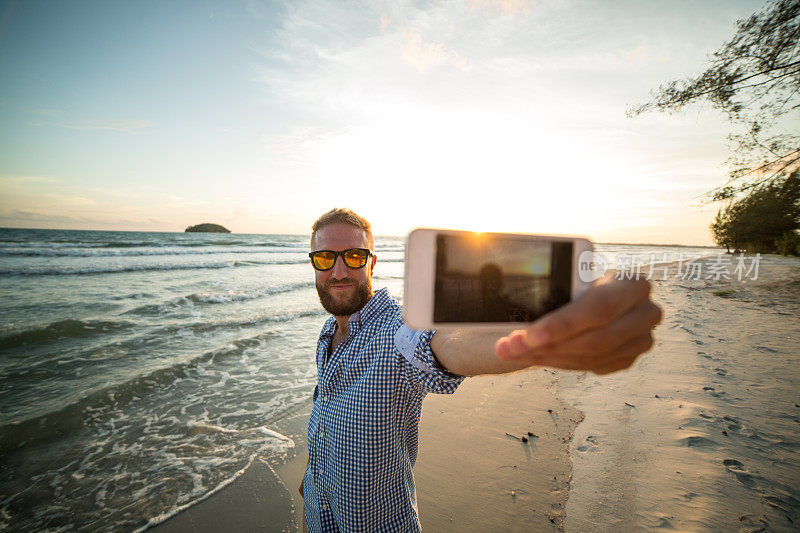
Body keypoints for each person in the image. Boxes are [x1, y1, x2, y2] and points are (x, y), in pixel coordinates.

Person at [301, 208, 662, 532]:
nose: (338, 271)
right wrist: (311, 475)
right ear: (313, 263)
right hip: (318, 510)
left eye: (353, 256)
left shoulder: (398, 328)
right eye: (324, 258)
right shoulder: (329, 333)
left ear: (372, 263)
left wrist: (533, 341)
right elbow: (326, 409)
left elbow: (440, 342)